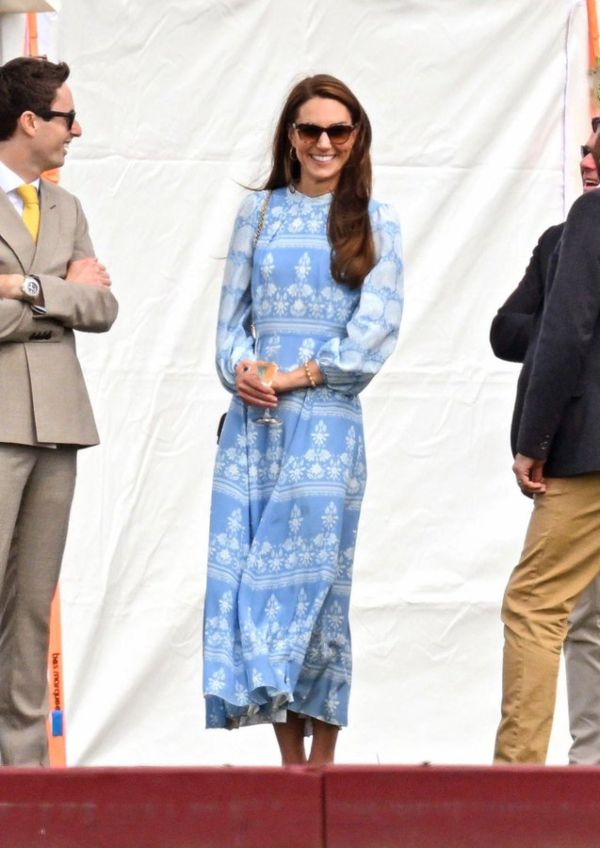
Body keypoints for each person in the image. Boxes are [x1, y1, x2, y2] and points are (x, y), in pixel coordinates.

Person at [203, 74, 403, 765]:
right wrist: (245, 371)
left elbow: (375, 333)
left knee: (312, 587)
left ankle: (325, 766)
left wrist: (292, 376)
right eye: (309, 130)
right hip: (253, 430)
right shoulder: (256, 215)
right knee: (249, 583)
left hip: (326, 423)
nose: (323, 143)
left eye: (337, 131)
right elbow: (229, 325)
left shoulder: (376, 219)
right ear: (289, 136)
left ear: (356, 140)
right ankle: (291, 767)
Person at [0, 57, 117, 765]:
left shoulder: (68, 207)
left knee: (31, 610)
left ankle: (21, 777)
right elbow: (76, 298)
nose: (78, 129)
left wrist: (22, 289)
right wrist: (58, 296)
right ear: (30, 121)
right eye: (68, 117)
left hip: (59, 427)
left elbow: (102, 307)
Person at [491, 118, 600, 764]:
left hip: (585, 453)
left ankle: (516, 787)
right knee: (590, 617)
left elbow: (564, 332)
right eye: (586, 149)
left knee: (534, 606)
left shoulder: (589, 220)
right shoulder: (563, 238)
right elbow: (511, 330)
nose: (588, 161)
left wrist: (534, 438)